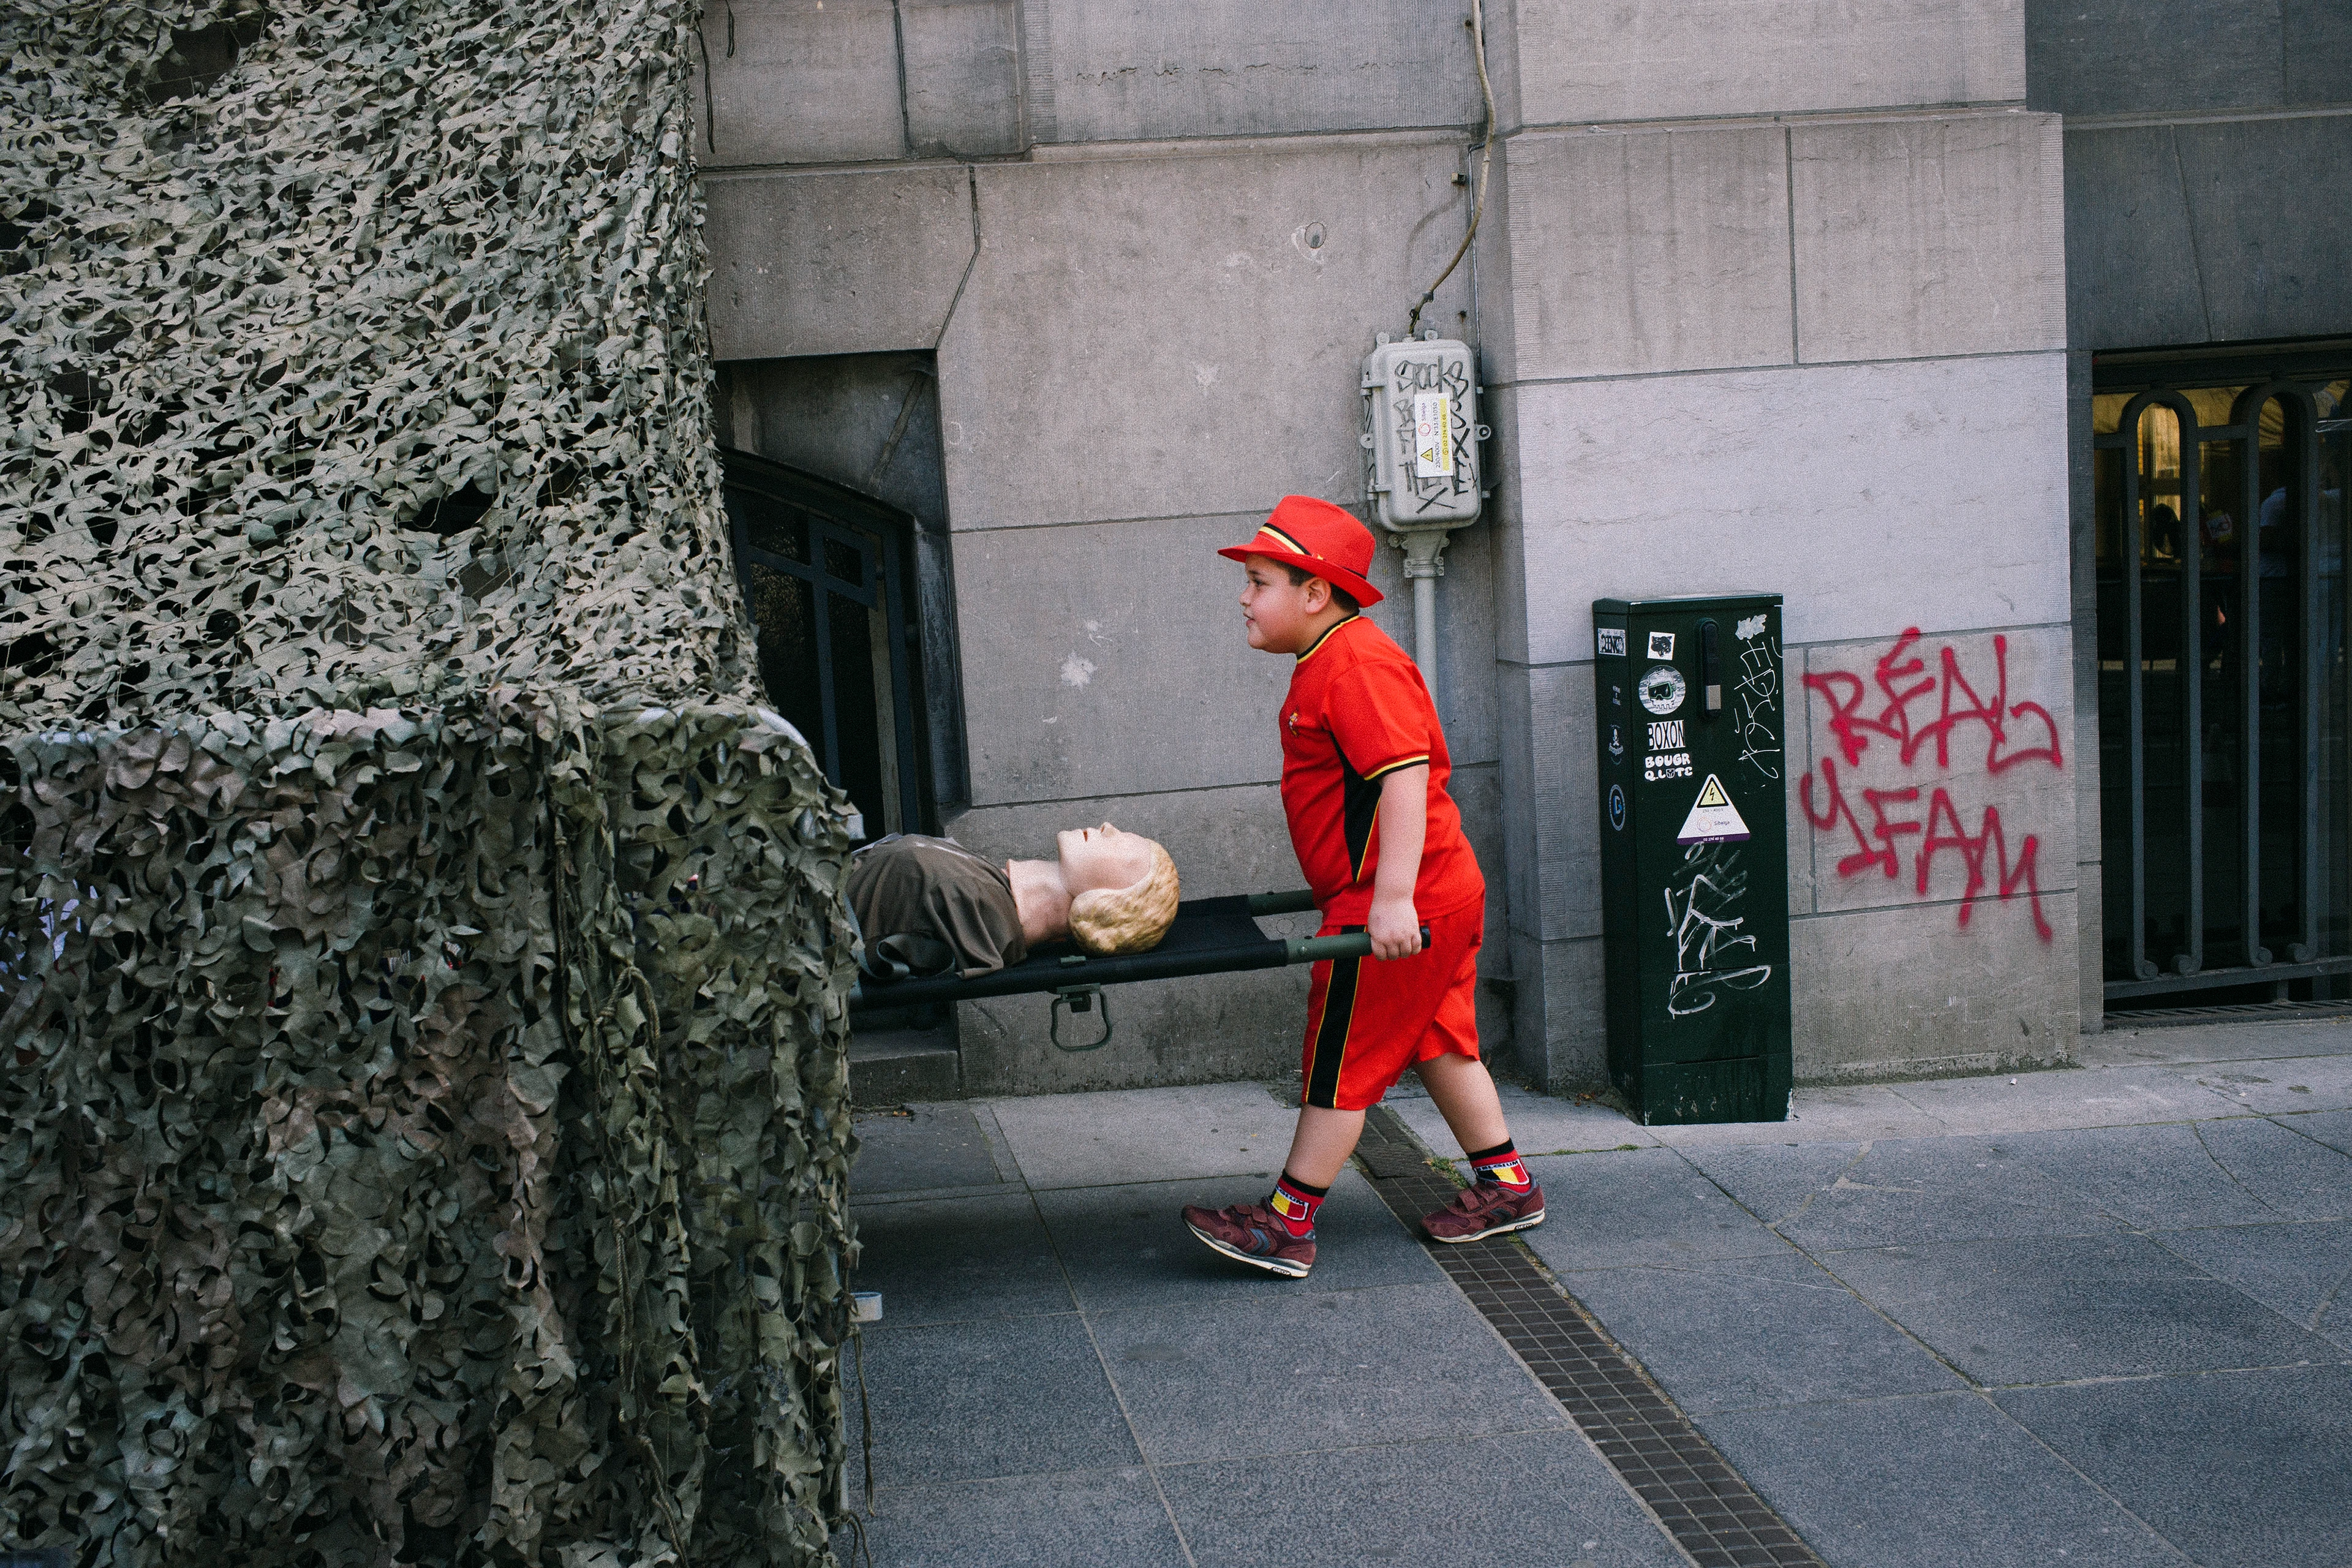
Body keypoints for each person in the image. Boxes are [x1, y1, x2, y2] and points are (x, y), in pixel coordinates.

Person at [1180, 495, 1544, 1278]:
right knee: (1442, 1040)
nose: (1243, 596)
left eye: (1259, 580)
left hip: (1401, 898)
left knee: (1341, 1054)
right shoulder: (1335, 658)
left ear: (1315, 592)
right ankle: (1509, 1186)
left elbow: (1404, 778)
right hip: (1436, 888)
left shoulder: (1355, 664)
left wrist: (1390, 899)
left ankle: (1287, 1225)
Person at [846, 824, 1178, 981]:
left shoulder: (969, 900)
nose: (1109, 827)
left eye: (1124, 845)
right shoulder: (983, 892)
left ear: (1110, 904)